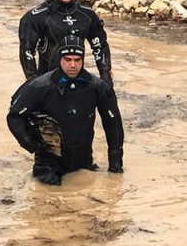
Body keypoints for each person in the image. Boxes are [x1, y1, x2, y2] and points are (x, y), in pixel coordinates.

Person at [7, 37, 124, 186]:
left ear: (82, 60)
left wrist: (115, 163)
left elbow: (113, 122)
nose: (73, 65)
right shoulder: (40, 86)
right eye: (67, 60)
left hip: (83, 162)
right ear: (59, 59)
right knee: (49, 201)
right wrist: (31, 145)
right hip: (48, 164)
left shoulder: (97, 87)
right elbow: (14, 116)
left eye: (77, 60)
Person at [19, 0, 113, 86]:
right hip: (47, 84)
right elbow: (26, 51)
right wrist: (33, 82)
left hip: (78, 83)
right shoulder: (36, 17)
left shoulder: (87, 16)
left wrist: (106, 78)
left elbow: (101, 46)